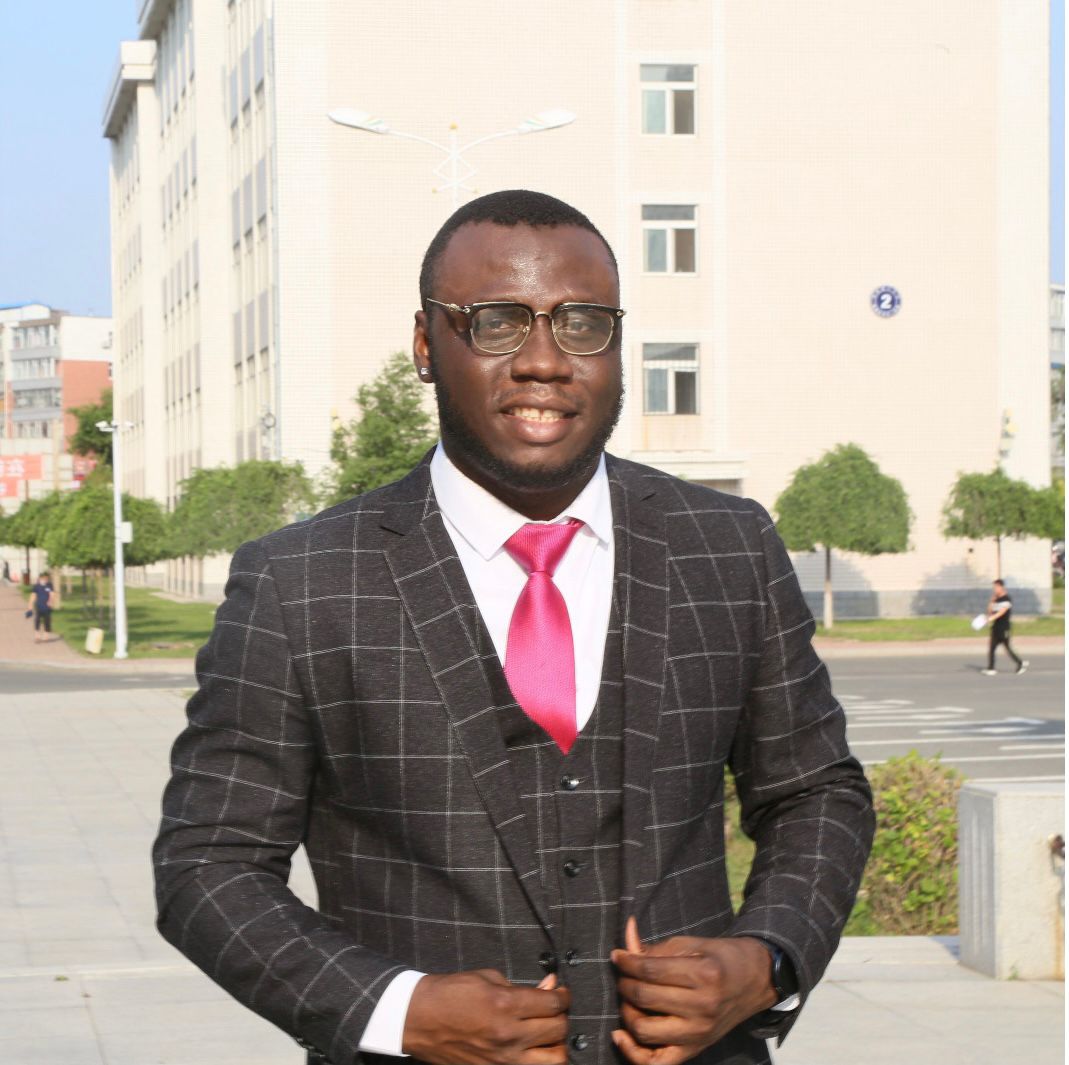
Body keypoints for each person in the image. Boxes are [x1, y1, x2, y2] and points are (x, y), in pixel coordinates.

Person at [153, 190, 874, 1065]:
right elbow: (208, 864)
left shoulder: (726, 546)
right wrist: (397, 1008)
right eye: (496, 322)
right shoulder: (301, 581)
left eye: (582, 323)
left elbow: (815, 791)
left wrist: (765, 958)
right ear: (426, 345)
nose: (544, 360)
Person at [981, 578, 1028, 675]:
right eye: (993, 587)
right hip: (995, 627)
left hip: (1004, 628)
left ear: (1001, 587)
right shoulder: (996, 599)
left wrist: (990, 619)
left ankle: (1020, 663)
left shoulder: (1007, 598)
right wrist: (991, 601)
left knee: (1007, 648)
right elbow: (990, 611)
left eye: (996, 587)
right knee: (992, 648)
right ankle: (991, 668)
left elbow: (1002, 612)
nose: (994, 589)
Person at [30, 571, 55, 643]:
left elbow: (52, 594)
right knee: (37, 620)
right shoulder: (36, 586)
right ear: (40, 578)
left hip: (47, 607)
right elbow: (33, 596)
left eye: (46, 578)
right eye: (43, 578)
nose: (45, 579)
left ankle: (46, 635)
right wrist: (30, 605)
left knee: (47, 621)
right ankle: (37, 635)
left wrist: (50, 601)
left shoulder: (49, 585)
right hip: (38, 606)